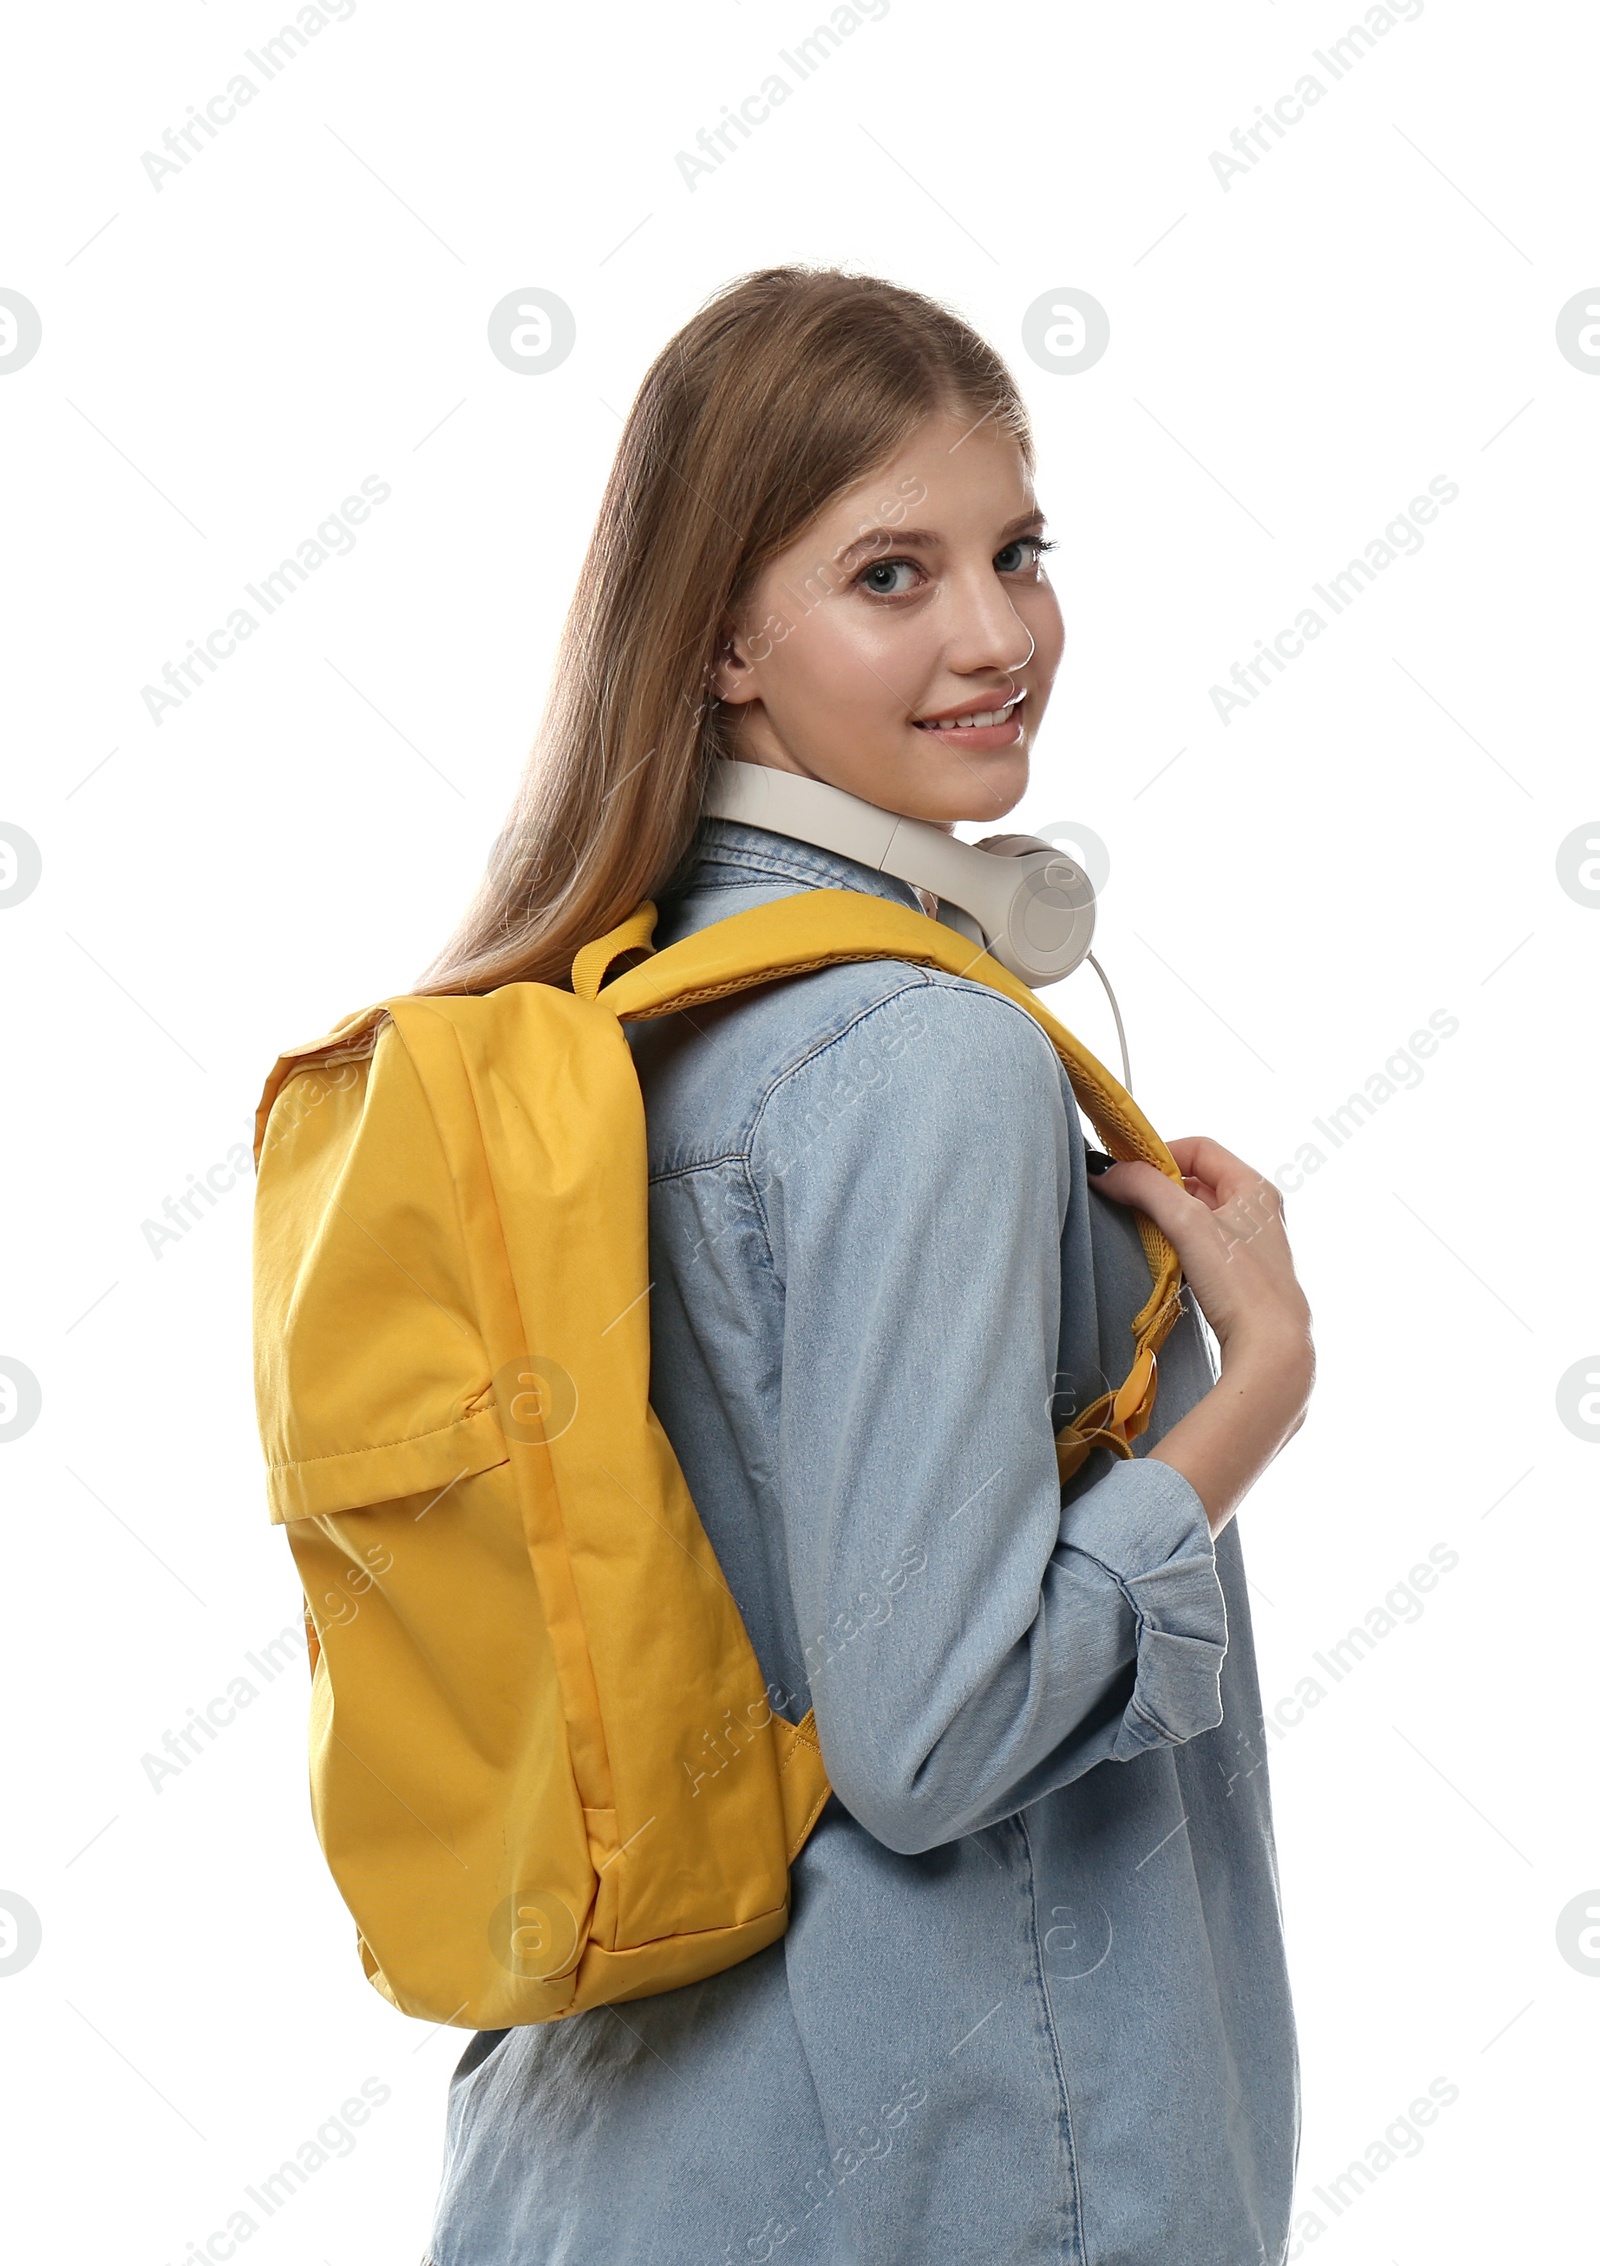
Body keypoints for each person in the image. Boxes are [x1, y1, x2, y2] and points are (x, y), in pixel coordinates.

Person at [417, 265, 1314, 2266]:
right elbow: (929, 1738)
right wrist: (1248, 1390)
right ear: (725, 635)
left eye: (1016, 550)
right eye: (888, 575)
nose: (995, 633)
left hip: (607, 2145)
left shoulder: (618, 1013)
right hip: (946, 2156)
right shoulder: (922, 1050)